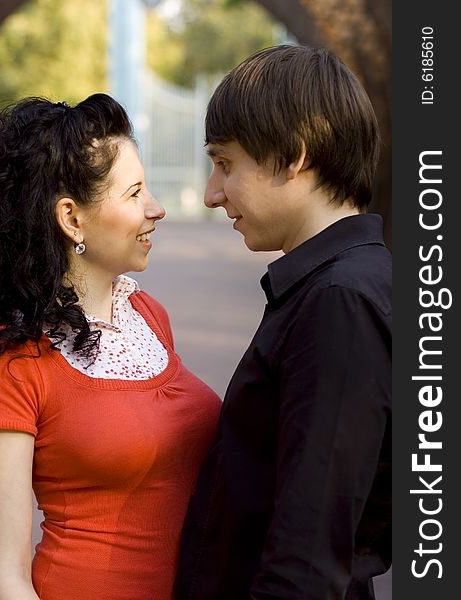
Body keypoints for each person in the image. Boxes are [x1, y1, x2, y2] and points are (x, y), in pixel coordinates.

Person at [174, 44, 391, 600]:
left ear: (293, 156)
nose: (212, 193)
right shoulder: (333, 287)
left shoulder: (340, 302)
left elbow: (307, 558)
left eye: (225, 163)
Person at [0, 93, 221, 600]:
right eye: (135, 193)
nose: (157, 209)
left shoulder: (149, 317)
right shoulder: (13, 358)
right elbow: (2, 576)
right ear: (72, 219)